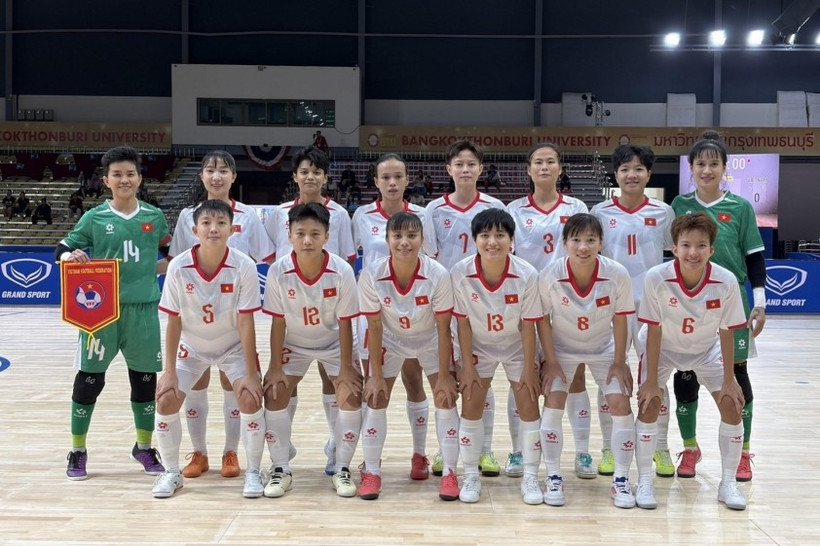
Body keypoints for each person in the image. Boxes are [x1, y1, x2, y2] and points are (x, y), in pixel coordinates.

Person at [57, 145, 171, 481]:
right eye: (117, 174)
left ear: (140, 178)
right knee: (89, 381)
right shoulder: (94, 217)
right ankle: (77, 450)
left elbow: (167, 257)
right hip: (99, 313)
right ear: (106, 180)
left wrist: (170, 267)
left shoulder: (154, 216)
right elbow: (62, 248)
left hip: (144, 310)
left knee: (144, 382)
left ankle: (144, 446)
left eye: (130, 174)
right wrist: (70, 258)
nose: (124, 179)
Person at [168, 150, 276, 482]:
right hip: (195, 319)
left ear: (233, 177)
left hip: (233, 317)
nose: (217, 176)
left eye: (223, 170)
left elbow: (270, 259)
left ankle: (231, 451)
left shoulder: (249, 216)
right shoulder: (188, 216)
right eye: (210, 170)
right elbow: (176, 260)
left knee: (235, 385)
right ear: (201, 177)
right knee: (195, 385)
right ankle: (199, 452)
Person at [635, 212, 748, 511]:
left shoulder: (725, 281)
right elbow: (654, 329)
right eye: (686, 245)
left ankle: (728, 483)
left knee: (732, 404)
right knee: (649, 405)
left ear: (712, 249)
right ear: (674, 247)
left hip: (707, 348)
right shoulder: (656, 278)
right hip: (662, 347)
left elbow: (727, 330)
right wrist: (651, 382)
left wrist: (728, 379)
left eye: (701, 246)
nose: (693, 252)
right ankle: (644, 480)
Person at [152, 199, 265, 498]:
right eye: (206, 223)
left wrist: (252, 373)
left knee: (251, 398)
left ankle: (253, 471)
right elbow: (173, 321)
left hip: (232, 347)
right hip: (193, 347)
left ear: (232, 228)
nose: (213, 229)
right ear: (195, 229)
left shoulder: (244, 265)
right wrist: (169, 372)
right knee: (165, 400)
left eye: (220, 223)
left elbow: (246, 322)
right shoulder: (178, 266)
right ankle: (172, 473)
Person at [670, 133, 766, 482]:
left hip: (732, 305)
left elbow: (754, 259)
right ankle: (690, 447)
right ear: (691, 169)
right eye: (701, 164)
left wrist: (760, 302)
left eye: (714, 163)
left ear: (725, 168)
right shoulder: (679, 205)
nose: (707, 169)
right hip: (686, 305)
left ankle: (743, 452)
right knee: (686, 375)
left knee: (737, 376)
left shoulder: (740, 207)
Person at [264, 146, 356, 475]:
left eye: (316, 172)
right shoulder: (279, 214)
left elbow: (346, 259)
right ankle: (282, 448)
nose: (310, 177)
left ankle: (336, 445)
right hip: (291, 308)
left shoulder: (340, 216)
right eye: (304, 171)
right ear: (295, 176)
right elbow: (273, 256)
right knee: (284, 383)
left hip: (329, 310)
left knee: (334, 381)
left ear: (325, 177)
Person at [538, 214, 636, 508]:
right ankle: (553, 475)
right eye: (576, 240)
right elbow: (542, 319)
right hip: (562, 348)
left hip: (604, 347)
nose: (583, 247)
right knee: (553, 402)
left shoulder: (617, 273)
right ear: (565, 243)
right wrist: (551, 361)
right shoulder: (550, 274)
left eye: (591, 240)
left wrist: (620, 361)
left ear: (601, 243)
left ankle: (621, 479)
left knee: (620, 404)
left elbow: (621, 319)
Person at [505, 142, 591, 479]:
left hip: (565, 301)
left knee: (574, 376)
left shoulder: (577, 205)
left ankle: (582, 452)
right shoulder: (513, 209)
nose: (544, 167)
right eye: (538, 162)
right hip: (524, 302)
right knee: (521, 379)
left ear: (560, 169)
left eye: (550, 161)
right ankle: (518, 452)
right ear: (528, 170)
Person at [357, 212, 457, 501]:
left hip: (429, 338)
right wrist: (374, 375)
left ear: (422, 240)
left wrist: (445, 376)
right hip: (391, 338)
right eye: (397, 236)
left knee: (445, 397)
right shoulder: (372, 274)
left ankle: (446, 469)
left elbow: (442, 327)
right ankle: (373, 470)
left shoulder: (437, 273)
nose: (404, 242)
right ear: (387, 240)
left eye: (412, 236)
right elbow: (374, 326)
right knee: (376, 397)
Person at [447, 208, 543, 504]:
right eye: (485, 235)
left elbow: (529, 325)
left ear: (511, 240)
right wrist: (466, 367)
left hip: (516, 344)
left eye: (500, 235)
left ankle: (530, 476)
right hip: (478, 345)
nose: (492, 241)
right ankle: (471, 475)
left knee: (528, 404)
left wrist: (529, 368)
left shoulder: (527, 274)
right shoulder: (460, 273)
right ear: (474, 240)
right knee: (473, 404)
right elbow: (461, 322)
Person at [590, 145, 675, 478]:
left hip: (652, 308)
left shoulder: (663, 211)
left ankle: (661, 448)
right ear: (616, 174)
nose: (631, 175)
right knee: (611, 376)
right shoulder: (599, 212)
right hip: (611, 307)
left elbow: (676, 254)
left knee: (656, 375)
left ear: (648, 175)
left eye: (639, 169)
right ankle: (610, 447)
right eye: (625, 168)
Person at [352, 153, 438, 481]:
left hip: (413, 311)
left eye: (397, 176)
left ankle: (419, 455)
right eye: (385, 177)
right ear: (375, 181)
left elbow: (427, 262)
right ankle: (371, 459)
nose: (391, 182)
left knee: (414, 379)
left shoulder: (422, 215)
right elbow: (351, 261)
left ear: (406, 180)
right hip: (374, 313)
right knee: (375, 386)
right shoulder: (361, 215)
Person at [425, 140, 505, 479]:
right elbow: (428, 257)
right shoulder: (433, 210)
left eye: (471, 164)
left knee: (480, 377)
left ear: (480, 169)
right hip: (447, 300)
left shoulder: (494, 205)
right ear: (449, 169)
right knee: (450, 376)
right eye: (459, 164)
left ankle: (483, 449)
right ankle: (448, 449)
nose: (465, 169)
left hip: (482, 299)